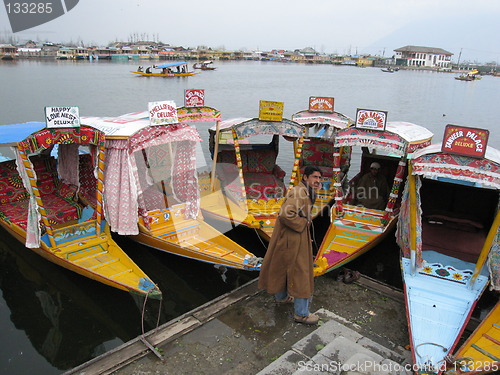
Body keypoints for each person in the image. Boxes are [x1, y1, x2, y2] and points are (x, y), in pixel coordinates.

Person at [258, 165, 322, 325]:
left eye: (320, 178)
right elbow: (286, 214)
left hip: (290, 237)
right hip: (293, 238)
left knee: (282, 267)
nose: (318, 181)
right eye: (315, 177)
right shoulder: (300, 192)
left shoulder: (304, 191)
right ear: (305, 177)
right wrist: (304, 223)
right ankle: (301, 314)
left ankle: (282, 297)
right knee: (302, 274)